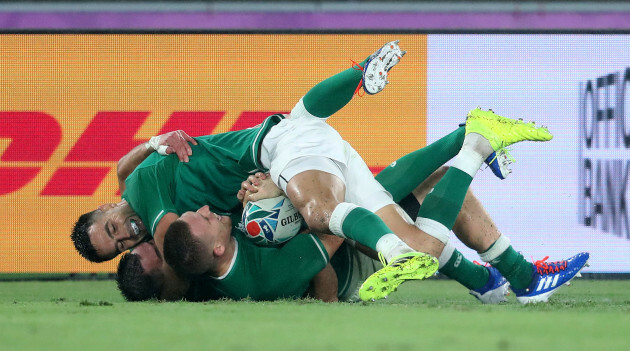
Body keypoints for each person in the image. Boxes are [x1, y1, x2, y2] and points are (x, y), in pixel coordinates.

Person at [74, 40, 558, 301]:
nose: (127, 234)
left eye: (112, 227)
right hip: (283, 168)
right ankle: (471, 143)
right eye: (119, 244)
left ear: (106, 205)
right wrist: (253, 207)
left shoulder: (154, 205)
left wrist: (152, 145)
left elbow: (151, 217)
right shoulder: (190, 235)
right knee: (398, 226)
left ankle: (456, 140)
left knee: (329, 207)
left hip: (275, 158)